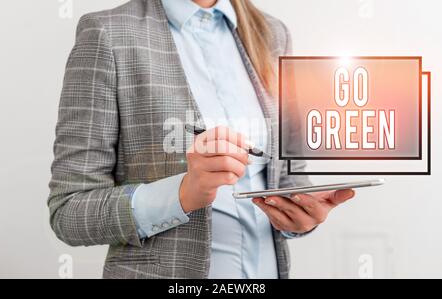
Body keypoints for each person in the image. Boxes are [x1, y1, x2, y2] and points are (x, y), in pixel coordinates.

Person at [48, 0, 355, 279]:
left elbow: (289, 178)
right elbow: (69, 211)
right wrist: (182, 194)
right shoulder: (107, 34)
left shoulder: (273, 35)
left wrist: (303, 215)